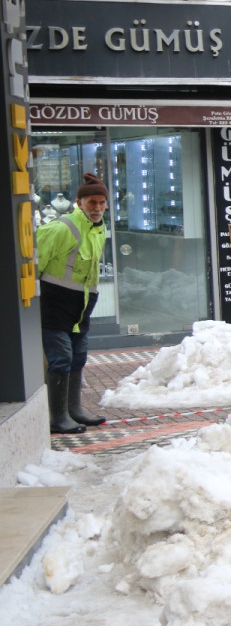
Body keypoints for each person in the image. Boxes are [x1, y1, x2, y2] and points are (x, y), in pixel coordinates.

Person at [37, 173, 109, 434]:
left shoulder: (98, 229)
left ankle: (74, 410)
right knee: (61, 358)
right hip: (54, 304)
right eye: (92, 202)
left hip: (81, 308)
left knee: (78, 356)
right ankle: (57, 418)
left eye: (102, 203)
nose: (98, 208)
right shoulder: (62, 228)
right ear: (79, 203)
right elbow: (35, 263)